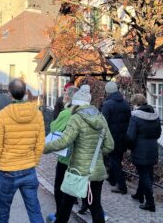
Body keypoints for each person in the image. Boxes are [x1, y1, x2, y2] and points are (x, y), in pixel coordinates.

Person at [44, 85, 115, 223]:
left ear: (75, 104)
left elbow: (64, 141)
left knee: (66, 205)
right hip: (96, 170)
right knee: (95, 206)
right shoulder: (101, 118)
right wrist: (96, 155)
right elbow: (110, 145)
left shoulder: (76, 118)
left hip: (78, 171)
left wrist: (43, 148)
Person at [0, 79, 45, 223]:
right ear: (26, 92)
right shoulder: (37, 114)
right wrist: (34, 161)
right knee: (35, 211)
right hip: (28, 168)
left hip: (6, 170)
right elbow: (40, 144)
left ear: (9, 93)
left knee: (2, 214)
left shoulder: (3, 115)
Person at [45, 85, 79, 223]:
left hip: (66, 156)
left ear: (69, 97)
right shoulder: (83, 113)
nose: (63, 96)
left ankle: (60, 215)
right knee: (73, 189)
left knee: (59, 188)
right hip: (80, 158)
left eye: (65, 94)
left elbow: (54, 127)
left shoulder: (67, 113)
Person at [126, 94, 161, 212]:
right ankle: (139, 194)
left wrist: (130, 147)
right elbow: (158, 134)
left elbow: (130, 137)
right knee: (147, 173)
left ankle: (150, 203)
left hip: (140, 149)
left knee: (144, 175)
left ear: (136, 104)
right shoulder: (155, 115)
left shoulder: (135, 117)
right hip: (152, 148)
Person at [101, 81, 131, 194]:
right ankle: (112, 179)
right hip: (123, 137)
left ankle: (122, 186)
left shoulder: (107, 104)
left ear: (107, 92)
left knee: (114, 161)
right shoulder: (125, 103)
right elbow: (129, 120)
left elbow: (104, 123)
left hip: (112, 138)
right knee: (117, 159)